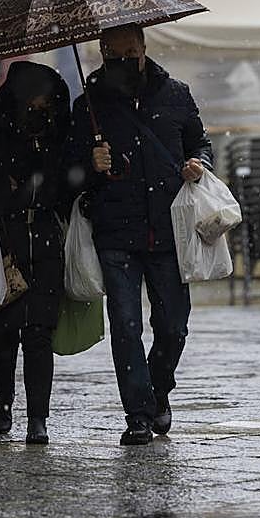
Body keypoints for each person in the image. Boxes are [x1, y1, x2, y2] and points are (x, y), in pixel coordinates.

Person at [70, 24, 214, 446]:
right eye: (114, 54)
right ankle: (137, 415)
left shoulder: (176, 95)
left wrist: (197, 163)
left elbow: (201, 144)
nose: (124, 61)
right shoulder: (89, 105)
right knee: (126, 325)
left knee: (173, 327)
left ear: (144, 48)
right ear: (101, 53)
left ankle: (158, 389)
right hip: (115, 232)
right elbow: (70, 173)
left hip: (169, 231)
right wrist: (89, 162)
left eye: (131, 52)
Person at [0, 61, 79, 445]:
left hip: (45, 248)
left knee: (39, 335)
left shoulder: (56, 145)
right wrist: (10, 184)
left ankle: (38, 418)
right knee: (5, 332)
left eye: (47, 105)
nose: (40, 111)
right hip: (4, 248)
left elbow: (68, 193)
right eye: (35, 103)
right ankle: (3, 401)